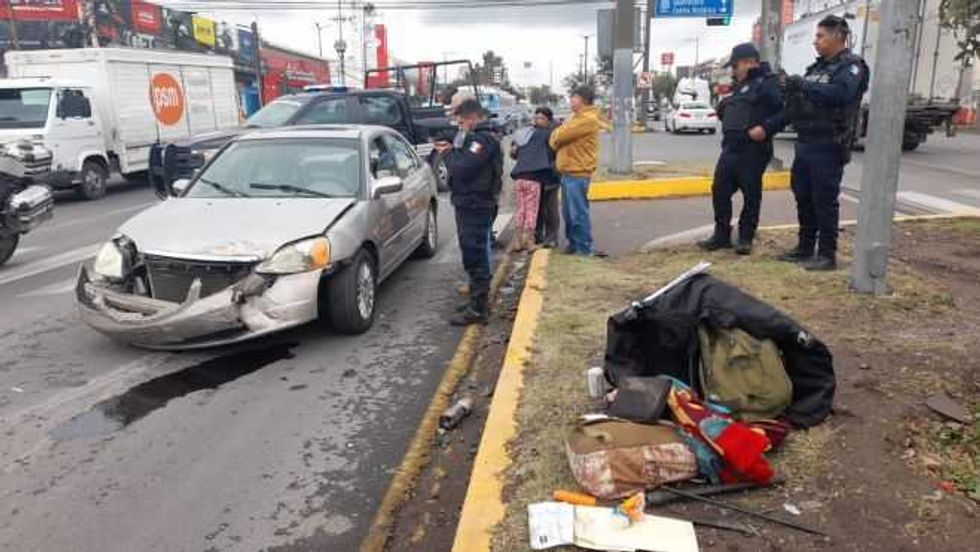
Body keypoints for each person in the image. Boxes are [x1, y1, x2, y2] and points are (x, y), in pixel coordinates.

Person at [779, 14, 869, 271]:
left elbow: (841, 94)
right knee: (803, 196)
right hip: (806, 141)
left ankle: (827, 255)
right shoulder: (816, 68)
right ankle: (805, 247)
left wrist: (803, 85)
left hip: (829, 142)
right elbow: (802, 101)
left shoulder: (851, 66)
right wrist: (790, 89)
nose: (815, 42)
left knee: (824, 200)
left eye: (820, 36)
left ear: (837, 37)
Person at [699, 43, 785, 255]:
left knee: (751, 194)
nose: (733, 71)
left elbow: (786, 112)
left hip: (753, 150)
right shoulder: (740, 85)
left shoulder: (768, 83)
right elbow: (733, 110)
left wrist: (765, 128)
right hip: (731, 147)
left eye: (735, 66)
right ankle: (721, 235)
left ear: (749, 62)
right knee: (719, 190)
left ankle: (745, 238)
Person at [434, 98, 503, 326]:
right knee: (471, 253)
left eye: (462, 122)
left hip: (476, 203)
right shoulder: (476, 138)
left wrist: (448, 153)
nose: (460, 126)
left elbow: (462, 168)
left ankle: (478, 308)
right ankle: (476, 299)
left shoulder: (483, 140)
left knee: (475, 255)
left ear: (473, 118)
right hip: (469, 202)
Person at [549, 86, 602, 256]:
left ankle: (584, 249)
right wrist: (557, 135)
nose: (570, 101)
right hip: (568, 172)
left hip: (578, 172)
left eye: (574, 97)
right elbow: (555, 137)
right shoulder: (575, 118)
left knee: (578, 213)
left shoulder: (587, 119)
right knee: (568, 213)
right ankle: (573, 244)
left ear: (583, 100)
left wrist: (557, 135)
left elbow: (559, 136)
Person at [510, 107, 559, 251]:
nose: (538, 120)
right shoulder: (540, 134)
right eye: (536, 117)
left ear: (549, 120)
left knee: (544, 209)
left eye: (542, 118)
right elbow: (515, 152)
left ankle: (544, 238)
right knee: (531, 210)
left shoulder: (549, 133)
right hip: (536, 178)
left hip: (541, 178)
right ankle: (529, 240)